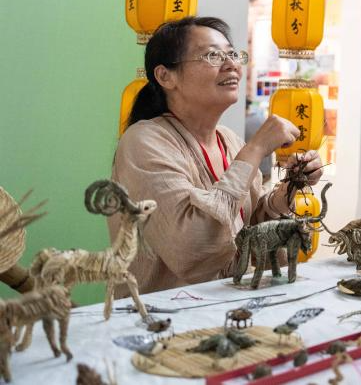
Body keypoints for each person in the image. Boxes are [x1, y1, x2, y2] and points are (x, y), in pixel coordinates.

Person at [111, 17, 324, 294]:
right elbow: (191, 249)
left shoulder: (230, 140)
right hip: (164, 320)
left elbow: (247, 235)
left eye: (233, 54)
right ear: (166, 76)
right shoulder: (143, 142)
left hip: (230, 307)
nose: (232, 64)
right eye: (213, 55)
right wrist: (255, 149)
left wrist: (287, 192)